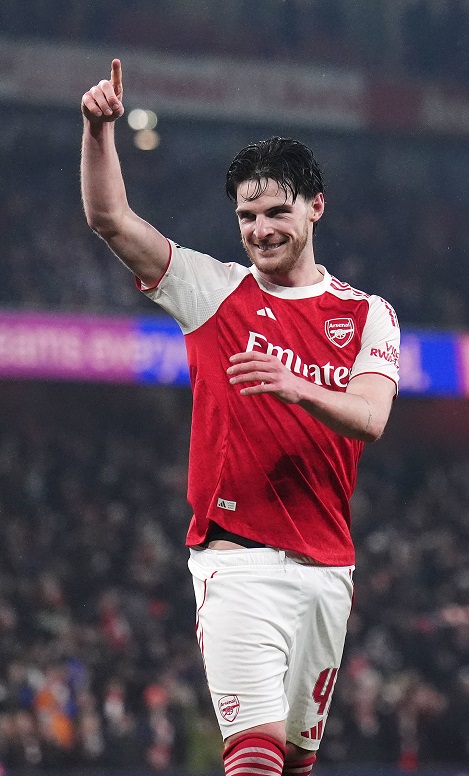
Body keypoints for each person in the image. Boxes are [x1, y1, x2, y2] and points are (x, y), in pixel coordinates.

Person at [81, 60, 401, 776]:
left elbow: (370, 418)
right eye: (247, 217)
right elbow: (110, 219)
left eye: (275, 212)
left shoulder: (367, 314)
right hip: (236, 564)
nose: (259, 230)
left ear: (315, 207)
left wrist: (297, 386)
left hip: (329, 571)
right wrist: (98, 131)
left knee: (291, 764)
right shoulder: (213, 292)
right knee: (252, 761)